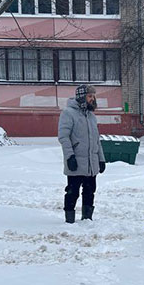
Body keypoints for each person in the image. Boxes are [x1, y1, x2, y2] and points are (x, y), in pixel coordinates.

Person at [58, 84, 105, 224]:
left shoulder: (91, 116)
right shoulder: (68, 113)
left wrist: (101, 159)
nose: (92, 99)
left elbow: (97, 140)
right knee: (73, 192)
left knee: (90, 191)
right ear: (81, 97)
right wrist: (70, 156)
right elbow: (63, 137)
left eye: (93, 96)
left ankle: (87, 219)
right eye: (90, 96)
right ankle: (69, 219)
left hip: (92, 163)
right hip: (76, 162)